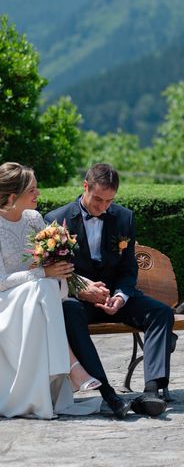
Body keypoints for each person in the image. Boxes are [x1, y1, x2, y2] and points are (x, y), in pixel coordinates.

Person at [45, 163, 175, 418]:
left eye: (109, 201)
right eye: (98, 200)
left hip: (116, 299)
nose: (103, 207)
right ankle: (109, 393)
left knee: (160, 312)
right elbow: (56, 269)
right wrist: (83, 288)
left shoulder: (124, 217)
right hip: (80, 302)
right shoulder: (55, 221)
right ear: (85, 187)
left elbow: (128, 268)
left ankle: (151, 391)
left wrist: (120, 296)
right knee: (67, 311)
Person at [0, 162, 102, 419]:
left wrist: (82, 282)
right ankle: (72, 369)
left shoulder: (34, 219)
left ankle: (71, 369)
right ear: (13, 196)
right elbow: (1, 281)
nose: (38, 194)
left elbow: (51, 266)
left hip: (35, 299)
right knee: (43, 286)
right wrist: (43, 274)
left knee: (43, 288)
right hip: (5, 301)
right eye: (32, 190)